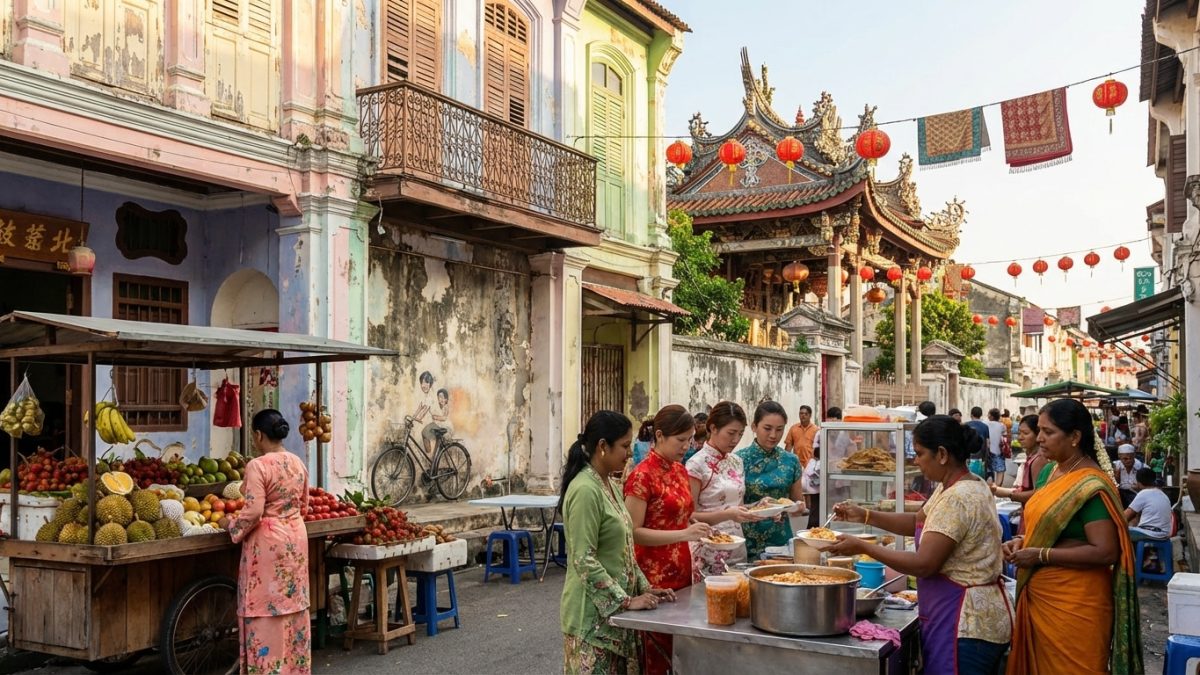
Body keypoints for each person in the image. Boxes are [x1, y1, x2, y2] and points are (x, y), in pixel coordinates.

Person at [828, 416, 1012, 674]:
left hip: (966, 622)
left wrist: (864, 546)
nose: (915, 461)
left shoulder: (958, 498)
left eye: (920, 453)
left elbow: (925, 564)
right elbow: (918, 521)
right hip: (967, 616)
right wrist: (865, 515)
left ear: (943, 454)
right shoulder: (960, 485)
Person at [1002, 398, 1142, 675]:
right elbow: (1045, 529)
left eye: (1048, 432)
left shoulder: (1089, 485)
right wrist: (1022, 541)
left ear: (1075, 436)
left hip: (1076, 603)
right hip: (1041, 597)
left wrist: (1040, 554)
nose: (1040, 438)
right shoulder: (1049, 473)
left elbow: (1105, 551)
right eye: (1039, 430)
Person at [560, 411, 676, 673]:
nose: (629, 453)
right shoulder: (585, 490)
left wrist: (646, 589)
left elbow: (624, 550)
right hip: (591, 619)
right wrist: (625, 601)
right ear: (602, 446)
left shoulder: (608, 484)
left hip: (615, 613)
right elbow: (583, 559)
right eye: (624, 446)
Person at [625, 405, 709, 675]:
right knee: (655, 649)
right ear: (659, 436)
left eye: (690, 439)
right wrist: (684, 533)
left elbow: (684, 514)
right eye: (681, 440)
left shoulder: (679, 471)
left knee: (679, 648)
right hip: (652, 572)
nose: (687, 446)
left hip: (682, 569)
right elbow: (633, 531)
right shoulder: (642, 475)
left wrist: (696, 524)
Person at [227, 409, 312, 674]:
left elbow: (252, 512)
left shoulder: (258, 465)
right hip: (296, 538)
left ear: (258, 435)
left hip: (268, 545)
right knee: (292, 605)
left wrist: (231, 526)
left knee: (264, 609)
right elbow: (305, 505)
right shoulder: (297, 462)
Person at [686, 401, 763, 575]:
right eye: (731, 433)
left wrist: (761, 508)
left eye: (740, 434)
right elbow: (689, 516)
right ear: (713, 428)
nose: (735, 440)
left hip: (737, 547)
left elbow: (738, 507)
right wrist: (727, 515)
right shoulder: (696, 465)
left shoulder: (736, 462)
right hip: (707, 550)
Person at [737, 401, 808, 559]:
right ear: (754, 427)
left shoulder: (791, 461)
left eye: (779, 429)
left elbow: (799, 503)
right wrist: (757, 508)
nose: (773, 435)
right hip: (746, 539)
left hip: (780, 539)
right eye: (767, 428)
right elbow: (734, 506)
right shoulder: (739, 460)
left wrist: (795, 508)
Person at [992, 415, 1046, 505]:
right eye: (1019, 433)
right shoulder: (1031, 457)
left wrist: (1008, 494)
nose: (1020, 437)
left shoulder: (1039, 460)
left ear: (1038, 435)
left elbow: (1038, 494)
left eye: (1025, 433)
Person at [1124, 467, 1172, 543]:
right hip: (1165, 533)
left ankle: (1131, 555)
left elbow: (1125, 516)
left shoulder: (1143, 494)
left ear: (1138, 483)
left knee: (1120, 532)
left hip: (1150, 533)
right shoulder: (1162, 494)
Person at [1114, 444, 1143, 508]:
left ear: (1134, 455)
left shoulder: (1142, 467)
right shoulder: (1114, 467)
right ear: (1119, 457)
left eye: (1131, 458)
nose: (1129, 460)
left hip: (1136, 496)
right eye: (1125, 459)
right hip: (1120, 496)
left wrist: (1141, 487)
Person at [985, 408, 1008, 487]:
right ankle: (998, 488)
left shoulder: (985, 424)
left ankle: (990, 487)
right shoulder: (1002, 425)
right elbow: (1005, 437)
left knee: (989, 470)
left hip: (988, 451)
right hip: (998, 450)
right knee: (1000, 470)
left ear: (991, 416)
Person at [802, 446, 821, 529]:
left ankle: (811, 526)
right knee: (816, 508)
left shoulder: (811, 461)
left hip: (812, 489)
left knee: (814, 507)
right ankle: (813, 526)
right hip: (818, 489)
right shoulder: (819, 463)